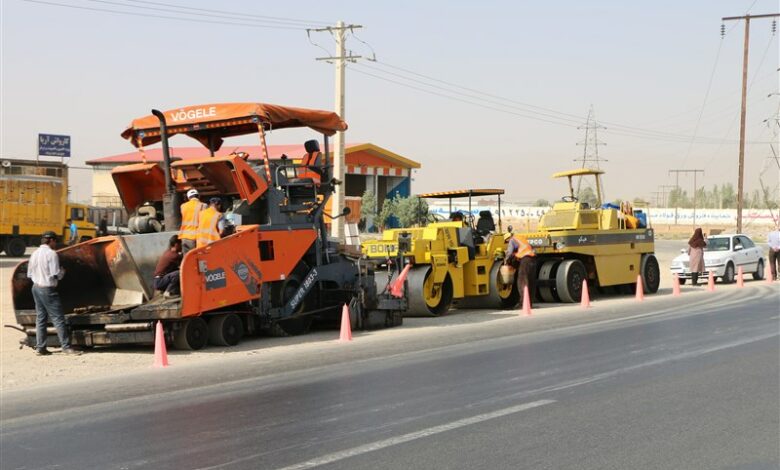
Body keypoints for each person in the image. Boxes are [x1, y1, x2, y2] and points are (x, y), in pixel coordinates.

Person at [27, 231, 81, 356]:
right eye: (55, 241)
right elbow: (55, 274)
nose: (56, 243)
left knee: (41, 319)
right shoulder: (51, 254)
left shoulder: (34, 253)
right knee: (58, 319)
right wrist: (63, 272)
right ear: (51, 240)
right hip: (47, 289)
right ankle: (66, 347)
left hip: (36, 288)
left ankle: (41, 348)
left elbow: (29, 274)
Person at [504, 232, 537, 308]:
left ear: (508, 238)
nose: (507, 243)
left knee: (522, 281)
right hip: (533, 259)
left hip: (525, 260)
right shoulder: (521, 238)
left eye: (506, 242)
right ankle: (530, 303)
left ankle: (523, 303)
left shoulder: (512, 240)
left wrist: (506, 261)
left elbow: (509, 252)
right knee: (531, 281)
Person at [179, 189, 206, 255]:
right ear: (198, 196)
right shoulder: (203, 205)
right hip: (196, 237)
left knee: (186, 259)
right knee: (197, 258)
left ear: (188, 197)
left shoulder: (183, 206)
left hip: (184, 236)